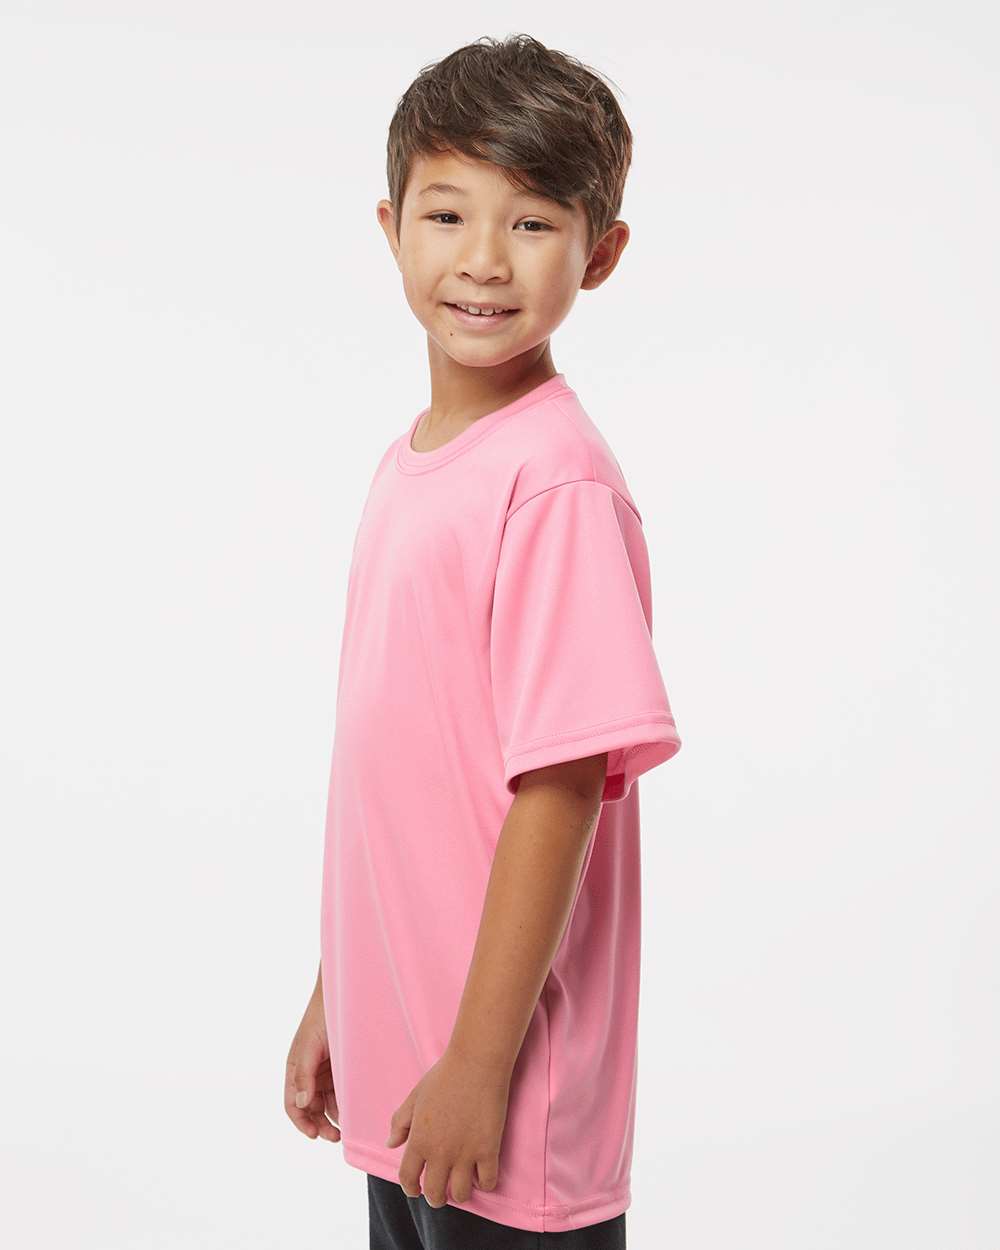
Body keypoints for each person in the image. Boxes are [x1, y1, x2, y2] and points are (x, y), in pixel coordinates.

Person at [285, 33, 683, 1249]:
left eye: (532, 223)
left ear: (599, 252)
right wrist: (340, 993)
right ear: (391, 226)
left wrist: (478, 1059)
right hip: (409, 1062)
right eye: (448, 213)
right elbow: (395, 776)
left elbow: (559, 784)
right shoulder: (409, 466)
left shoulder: (554, 482)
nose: (482, 260)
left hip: (500, 1087)